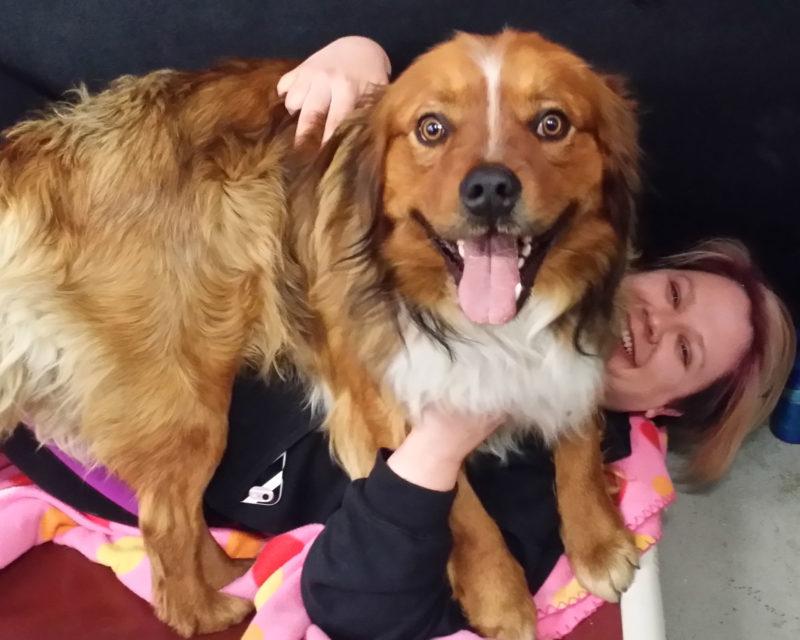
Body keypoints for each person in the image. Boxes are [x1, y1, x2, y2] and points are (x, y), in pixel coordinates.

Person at [2, 37, 795, 640]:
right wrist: (354, 53)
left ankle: (185, 585)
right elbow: (401, 126)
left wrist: (446, 455)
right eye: (676, 293)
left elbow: (355, 603)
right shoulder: (525, 261)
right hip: (143, 216)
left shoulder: (542, 473)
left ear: (661, 411)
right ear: (647, 263)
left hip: (99, 422)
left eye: (684, 352)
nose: (657, 323)